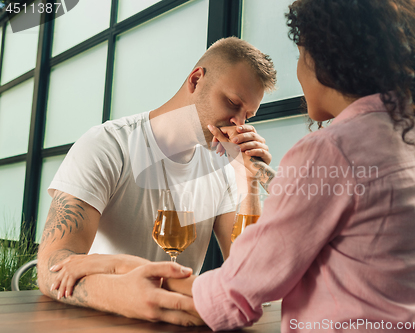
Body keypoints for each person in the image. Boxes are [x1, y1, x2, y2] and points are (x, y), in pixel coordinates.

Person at [160, 0, 415, 331]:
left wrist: (130, 280)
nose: (299, 73)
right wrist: (254, 174)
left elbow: (236, 290)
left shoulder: (332, 150)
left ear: (328, 59)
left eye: (301, 55)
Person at [37, 37, 277, 326]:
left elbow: (250, 277)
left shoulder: (223, 167)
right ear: (196, 79)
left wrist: (248, 180)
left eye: (247, 115)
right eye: (232, 103)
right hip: (101, 323)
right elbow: (51, 268)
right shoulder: (108, 145)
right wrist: (124, 292)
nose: (238, 123)